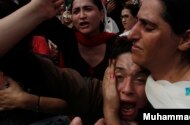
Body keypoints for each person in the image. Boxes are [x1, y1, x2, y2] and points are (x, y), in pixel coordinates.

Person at [0, 37, 150, 125]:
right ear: (108, 72)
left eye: (140, 79)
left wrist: (111, 115)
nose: (127, 89)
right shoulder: (95, 92)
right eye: (119, 77)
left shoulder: (166, 109)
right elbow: (53, 75)